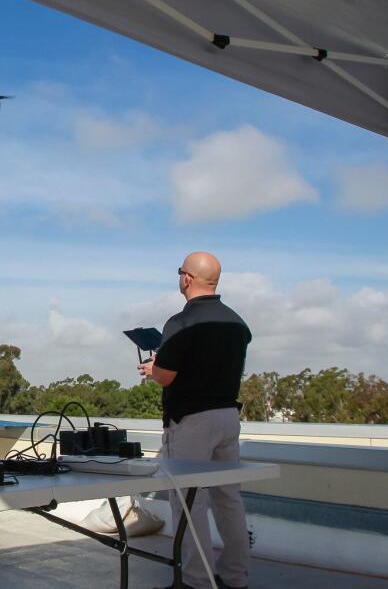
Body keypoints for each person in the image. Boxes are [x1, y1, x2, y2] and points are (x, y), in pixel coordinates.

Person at [139, 252, 252, 589]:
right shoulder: (237, 323)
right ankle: (235, 577)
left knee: (188, 502)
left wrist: (151, 369)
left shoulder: (181, 322)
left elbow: (167, 376)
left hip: (192, 421)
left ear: (186, 278)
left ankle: (195, 581)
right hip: (228, 417)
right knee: (227, 498)